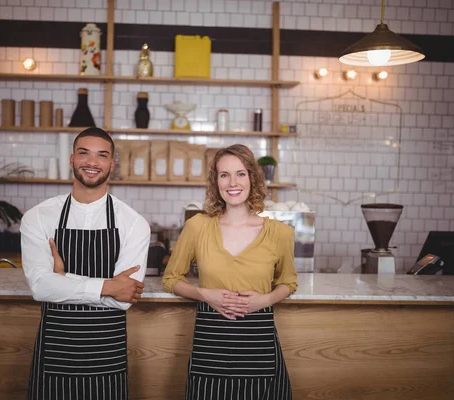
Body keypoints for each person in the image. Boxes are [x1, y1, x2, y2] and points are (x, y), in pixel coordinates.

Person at [21, 127, 150, 400]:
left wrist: (64, 282)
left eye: (102, 156)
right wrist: (108, 286)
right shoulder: (38, 217)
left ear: (111, 165)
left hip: (108, 354)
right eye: (84, 153)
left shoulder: (133, 223)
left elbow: (124, 298)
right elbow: (41, 288)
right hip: (56, 350)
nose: (92, 162)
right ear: (71, 159)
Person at [162, 144, 297, 400]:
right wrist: (205, 294)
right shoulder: (197, 227)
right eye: (224, 175)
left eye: (240, 173)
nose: (232, 182)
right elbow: (171, 280)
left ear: (253, 178)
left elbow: (288, 283)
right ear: (216, 181)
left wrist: (264, 300)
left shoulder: (280, 233)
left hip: (258, 342)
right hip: (211, 341)